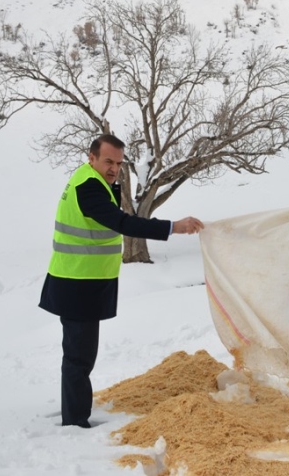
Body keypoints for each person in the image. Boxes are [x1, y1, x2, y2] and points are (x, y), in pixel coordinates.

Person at [39, 134, 204, 428]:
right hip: (78, 282)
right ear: (91, 157)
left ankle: (74, 410)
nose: (114, 168)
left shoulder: (92, 179)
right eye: (108, 161)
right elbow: (122, 223)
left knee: (80, 355)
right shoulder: (89, 187)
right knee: (79, 357)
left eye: (118, 163)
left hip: (82, 280)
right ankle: (75, 422)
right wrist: (172, 227)